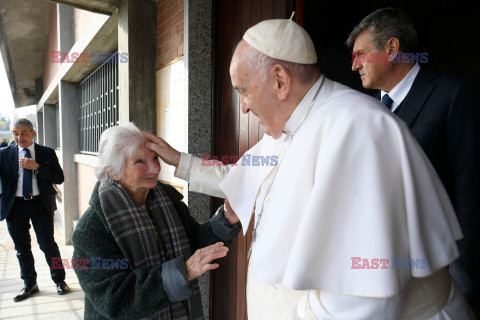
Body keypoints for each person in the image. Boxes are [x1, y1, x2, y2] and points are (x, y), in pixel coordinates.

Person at [144, 16, 476, 319]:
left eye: (243, 91)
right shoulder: (288, 127)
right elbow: (246, 180)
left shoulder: (357, 128)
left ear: (279, 80)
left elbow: (362, 300)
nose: (243, 107)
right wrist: (179, 161)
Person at [346, 8, 480, 313]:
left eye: (361, 54)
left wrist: (463, 278)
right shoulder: (363, 110)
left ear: (392, 49)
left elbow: (470, 193)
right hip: (381, 276)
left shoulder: (454, 95)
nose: (354, 66)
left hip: (441, 275)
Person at [72, 123, 241, 319]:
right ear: (113, 171)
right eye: (139, 162)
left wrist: (227, 219)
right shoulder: (90, 231)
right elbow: (116, 300)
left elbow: (195, 245)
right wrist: (182, 272)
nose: (155, 168)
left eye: (154, 157)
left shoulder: (167, 201)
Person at [0, 118, 70, 302]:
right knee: (22, 248)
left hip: (40, 204)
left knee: (48, 245)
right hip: (15, 206)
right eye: (15, 133)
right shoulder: (4, 154)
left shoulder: (46, 153)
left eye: (23, 133)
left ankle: (60, 281)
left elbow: (59, 178)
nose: (18, 137)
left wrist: (37, 167)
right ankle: (30, 284)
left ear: (32, 133)